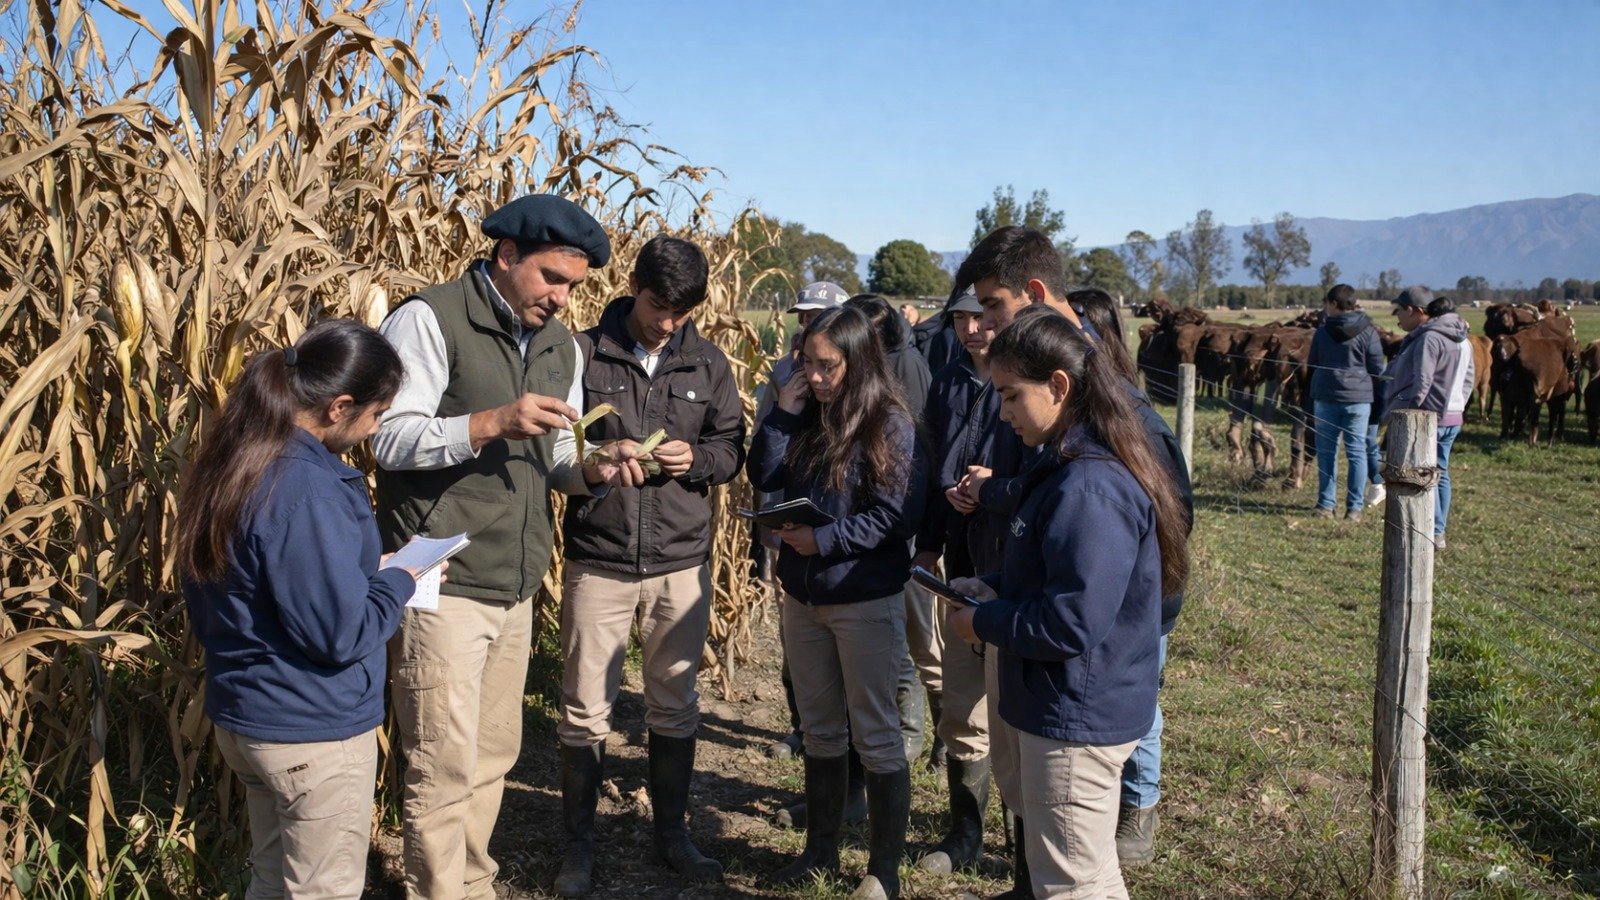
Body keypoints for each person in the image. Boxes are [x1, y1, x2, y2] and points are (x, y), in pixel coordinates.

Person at [372, 194, 614, 899]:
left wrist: (599, 466)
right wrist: (487, 422)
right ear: (506, 256)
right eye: (552, 279)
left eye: (574, 286)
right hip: (440, 580)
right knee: (442, 765)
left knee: (491, 756)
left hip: (516, 582)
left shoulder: (560, 347)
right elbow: (385, 437)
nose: (564, 299)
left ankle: (472, 883)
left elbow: (562, 459)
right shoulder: (428, 319)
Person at [946, 312, 1189, 899]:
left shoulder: (1089, 486)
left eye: (1010, 396)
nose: (1003, 413)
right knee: (1087, 873)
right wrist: (998, 585)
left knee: (1070, 883)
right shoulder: (1062, 465)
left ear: (1058, 386)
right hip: (1066, 704)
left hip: (1075, 714)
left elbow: (1070, 621)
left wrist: (982, 619)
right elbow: (1057, 573)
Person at [178, 320, 416, 899]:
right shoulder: (304, 486)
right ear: (339, 407)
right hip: (310, 731)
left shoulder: (238, 456)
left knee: (272, 880)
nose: (375, 429)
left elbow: (263, 581)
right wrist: (400, 580)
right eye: (377, 415)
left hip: (249, 715)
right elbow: (339, 633)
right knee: (321, 890)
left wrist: (362, 571)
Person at [550, 236, 746, 894]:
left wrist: (701, 462)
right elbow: (556, 450)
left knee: (674, 705)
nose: (668, 322)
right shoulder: (580, 353)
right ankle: (577, 845)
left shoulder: (709, 364)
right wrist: (601, 458)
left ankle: (673, 834)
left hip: (679, 562)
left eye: (682, 312)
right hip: (600, 559)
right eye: (660, 305)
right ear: (634, 284)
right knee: (584, 711)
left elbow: (729, 447)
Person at [748, 305, 926, 900]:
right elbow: (763, 470)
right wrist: (784, 410)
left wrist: (822, 539)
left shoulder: (889, 425)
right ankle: (819, 853)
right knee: (822, 731)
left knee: (875, 735)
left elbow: (896, 518)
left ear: (858, 362)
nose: (817, 377)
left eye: (828, 367)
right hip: (803, 597)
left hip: (862, 599)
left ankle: (883, 872)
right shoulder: (803, 414)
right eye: (808, 364)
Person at [1068, 289, 1194, 866]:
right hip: (1101, 586)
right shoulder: (1082, 415)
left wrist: (1140, 571)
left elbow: (1177, 515)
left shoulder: (1138, 422)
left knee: (1140, 701)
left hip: (1144, 593)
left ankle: (1139, 810)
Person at [911, 286, 996, 875]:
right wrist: (931, 542)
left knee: (1015, 719)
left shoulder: (1034, 380)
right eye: (962, 319)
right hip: (961, 561)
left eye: (981, 317)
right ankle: (965, 833)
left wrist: (993, 493)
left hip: (1013, 563)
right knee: (964, 705)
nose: (971, 330)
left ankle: (1020, 844)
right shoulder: (947, 382)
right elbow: (931, 459)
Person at [846, 293, 936, 766]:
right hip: (871, 526)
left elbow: (913, 454)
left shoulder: (908, 371)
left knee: (918, 636)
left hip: (901, 526)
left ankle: (927, 734)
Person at [1383, 290, 1473, 548]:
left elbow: (1422, 381)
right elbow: (1469, 380)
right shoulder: (1464, 339)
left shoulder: (1430, 339)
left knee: (1423, 474)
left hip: (1428, 417)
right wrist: (1458, 407)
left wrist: (1408, 412)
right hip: (1453, 416)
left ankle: (1426, 530)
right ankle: (1438, 531)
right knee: (1441, 473)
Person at [1307, 283, 1385, 521]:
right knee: (1357, 453)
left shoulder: (1322, 332)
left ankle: (1326, 505)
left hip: (1327, 397)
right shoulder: (1368, 331)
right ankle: (1354, 508)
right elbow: (1376, 368)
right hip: (1359, 400)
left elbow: (1313, 364)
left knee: (1327, 452)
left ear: (1333, 303)